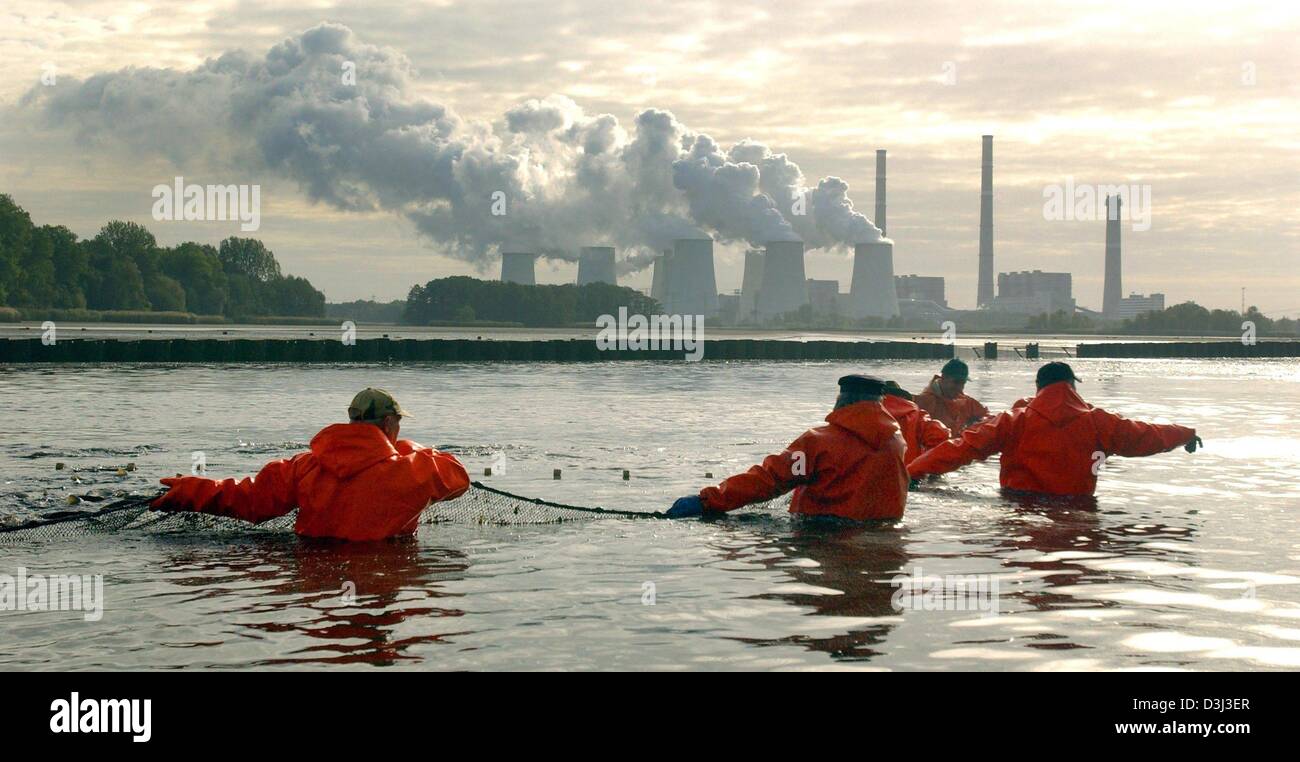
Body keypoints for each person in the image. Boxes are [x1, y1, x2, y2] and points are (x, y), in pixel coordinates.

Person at [151, 388, 470, 541]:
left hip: (311, 567)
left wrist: (189, 489)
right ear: (388, 424)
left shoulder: (304, 466)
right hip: (381, 563)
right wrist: (404, 449)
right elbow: (459, 477)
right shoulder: (416, 469)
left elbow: (248, 499)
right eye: (398, 424)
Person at [907, 362, 1202, 496]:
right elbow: (1146, 435)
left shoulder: (1015, 420)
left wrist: (912, 472)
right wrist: (1185, 433)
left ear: (1038, 388)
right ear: (1072, 386)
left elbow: (961, 449)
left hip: (1019, 506)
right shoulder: (1099, 422)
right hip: (1079, 507)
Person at [665, 375, 909, 521]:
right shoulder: (896, 441)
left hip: (821, 534)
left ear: (842, 401)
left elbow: (770, 480)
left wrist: (708, 501)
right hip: (883, 533)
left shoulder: (819, 441)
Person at [881, 380, 952, 465]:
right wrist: (924, 462)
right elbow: (941, 434)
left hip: (872, 472)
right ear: (903, 397)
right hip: (908, 471)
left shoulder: (867, 412)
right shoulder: (917, 415)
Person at [914, 358, 990, 435]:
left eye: (962, 383)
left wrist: (976, 426)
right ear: (943, 378)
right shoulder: (925, 402)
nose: (959, 388)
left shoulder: (967, 402)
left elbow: (988, 418)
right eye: (956, 382)